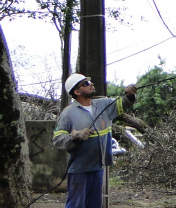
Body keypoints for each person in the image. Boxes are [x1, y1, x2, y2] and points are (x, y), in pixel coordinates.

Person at [52, 74, 137, 208]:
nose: (91, 84)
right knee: (76, 205)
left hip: (98, 166)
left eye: (90, 81)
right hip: (80, 168)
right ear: (76, 91)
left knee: (95, 205)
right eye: (85, 83)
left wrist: (130, 96)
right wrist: (76, 135)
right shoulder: (68, 113)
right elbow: (57, 139)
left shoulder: (103, 104)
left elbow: (123, 104)